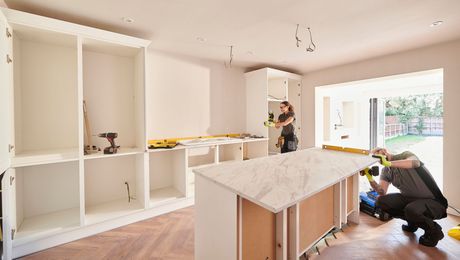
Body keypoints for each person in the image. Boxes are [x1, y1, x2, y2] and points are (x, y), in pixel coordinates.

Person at [363, 148, 448, 247]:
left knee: (411, 209)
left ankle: (434, 231)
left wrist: (389, 163)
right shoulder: (386, 170)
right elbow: (382, 191)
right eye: (374, 156)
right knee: (381, 201)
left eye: (378, 153)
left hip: (434, 202)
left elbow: (415, 163)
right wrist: (370, 178)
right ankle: (413, 222)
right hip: (409, 200)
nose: (377, 157)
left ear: (384, 151)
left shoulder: (405, 155)